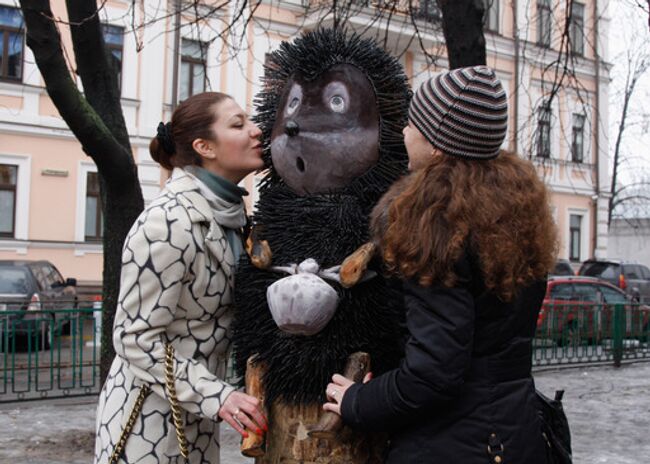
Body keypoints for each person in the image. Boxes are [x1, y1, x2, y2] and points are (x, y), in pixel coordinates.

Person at [323, 66, 558, 463]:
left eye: (413, 122)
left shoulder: (435, 222)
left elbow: (434, 374)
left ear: (437, 145)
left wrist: (358, 402)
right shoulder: (512, 210)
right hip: (513, 432)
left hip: (454, 444)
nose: (404, 131)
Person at [94, 92, 267, 464]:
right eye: (238, 124)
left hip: (194, 424)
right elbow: (133, 338)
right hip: (147, 425)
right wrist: (217, 396)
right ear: (204, 146)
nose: (256, 131)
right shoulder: (167, 221)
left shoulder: (232, 218)